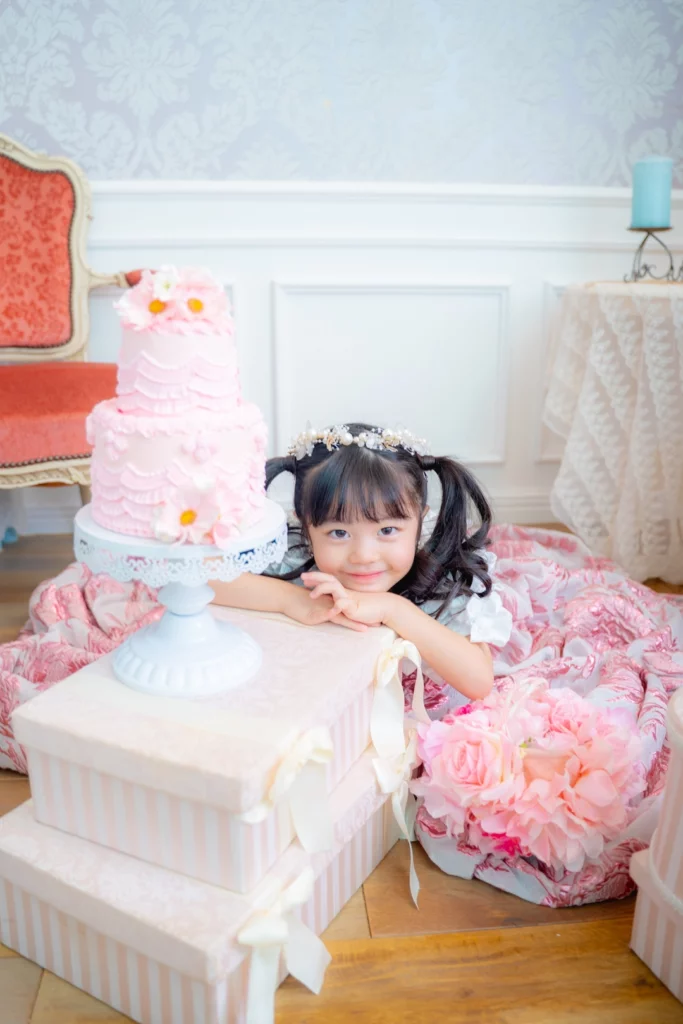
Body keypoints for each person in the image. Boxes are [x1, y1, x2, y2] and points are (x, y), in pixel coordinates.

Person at [212, 422, 512, 708]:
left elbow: (479, 682)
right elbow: (202, 578)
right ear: (306, 528)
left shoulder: (436, 580)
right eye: (339, 533)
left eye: (387, 530)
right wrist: (293, 599)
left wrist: (392, 608)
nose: (364, 556)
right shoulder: (299, 561)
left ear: (420, 521)